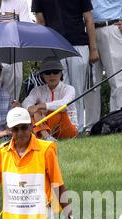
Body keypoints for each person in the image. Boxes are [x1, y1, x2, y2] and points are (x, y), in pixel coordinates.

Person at [31, 0, 99, 133]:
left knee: (77, 90)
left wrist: (93, 48)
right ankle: (61, 129)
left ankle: (76, 129)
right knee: (59, 91)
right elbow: (41, 23)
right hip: (55, 46)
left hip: (79, 44)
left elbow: (89, 19)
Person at [83, 0, 122, 133]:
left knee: (117, 79)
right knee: (91, 83)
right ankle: (91, 126)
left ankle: (118, 123)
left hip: (112, 27)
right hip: (87, 30)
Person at [20, 57, 78, 140]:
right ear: (42, 75)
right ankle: (46, 136)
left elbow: (64, 105)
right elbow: (26, 102)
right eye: (47, 73)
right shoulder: (37, 90)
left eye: (55, 72)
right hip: (47, 127)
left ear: (61, 73)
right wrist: (31, 108)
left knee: (56, 111)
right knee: (33, 111)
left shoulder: (69, 89)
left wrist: (40, 106)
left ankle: (43, 135)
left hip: (68, 130)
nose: (52, 75)